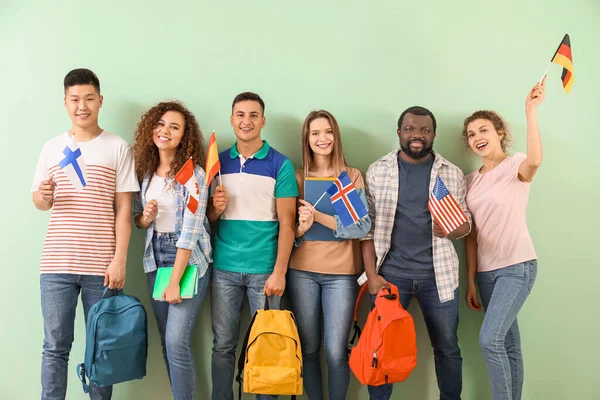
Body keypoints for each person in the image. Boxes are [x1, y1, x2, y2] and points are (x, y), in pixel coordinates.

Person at [31, 68, 139, 400]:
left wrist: (119, 259)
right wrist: (44, 197)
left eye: (89, 98)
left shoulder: (118, 147)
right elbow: (39, 199)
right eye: (75, 99)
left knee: (101, 348)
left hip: (101, 267)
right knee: (55, 346)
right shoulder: (52, 148)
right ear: (65, 103)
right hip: (56, 264)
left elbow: (124, 210)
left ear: (100, 100)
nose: (82, 106)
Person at [360, 106, 471, 400]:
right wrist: (371, 276)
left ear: (433, 134)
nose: (417, 136)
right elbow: (367, 230)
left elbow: (465, 227)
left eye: (424, 130)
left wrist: (451, 228)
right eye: (410, 129)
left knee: (447, 347)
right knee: (381, 347)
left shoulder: (451, 173)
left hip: (440, 277)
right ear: (399, 132)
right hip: (391, 276)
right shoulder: (378, 170)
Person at [207, 92, 298, 400]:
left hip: (265, 271)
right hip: (224, 269)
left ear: (263, 120)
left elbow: (288, 223)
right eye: (240, 115)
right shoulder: (218, 162)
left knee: (267, 346)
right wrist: (215, 209)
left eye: (253, 115)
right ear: (232, 120)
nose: (246, 121)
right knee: (223, 345)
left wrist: (280, 272)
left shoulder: (280, 165)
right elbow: (208, 217)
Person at [463, 78, 545, 400]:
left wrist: (530, 110)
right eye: (471, 134)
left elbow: (535, 162)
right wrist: (470, 279)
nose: (477, 137)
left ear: (499, 133)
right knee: (508, 344)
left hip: (517, 266)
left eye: (483, 130)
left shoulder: (515, 166)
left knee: (489, 340)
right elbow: (471, 235)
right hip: (486, 273)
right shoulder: (470, 181)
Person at [287, 110, 371, 400]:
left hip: (342, 276)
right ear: (307, 140)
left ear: (336, 136)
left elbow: (361, 227)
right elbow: (288, 234)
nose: (322, 139)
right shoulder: (298, 178)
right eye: (315, 133)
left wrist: (318, 217)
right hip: (302, 272)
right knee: (308, 348)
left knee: (336, 351)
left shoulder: (351, 176)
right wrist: (301, 228)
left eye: (328, 132)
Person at [132, 101, 212, 400]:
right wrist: (145, 218)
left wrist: (176, 280)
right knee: (167, 342)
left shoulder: (194, 176)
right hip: (155, 258)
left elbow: (190, 232)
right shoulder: (146, 173)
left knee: (177, 341)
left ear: (184, 137)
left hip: (187, 260)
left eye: (174, 127)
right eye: (161, 123)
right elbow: (139, 219)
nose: (165, 131)